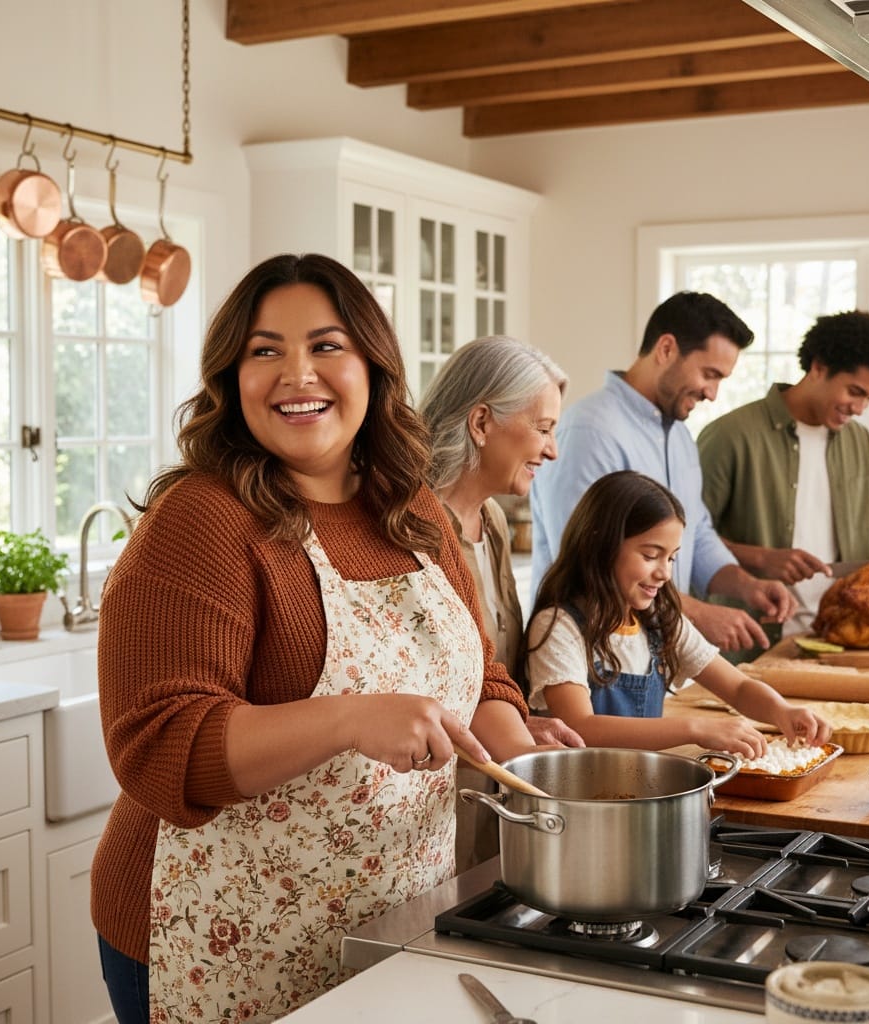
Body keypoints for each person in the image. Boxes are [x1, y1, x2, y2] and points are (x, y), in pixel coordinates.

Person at [90, 254, 540, 1024]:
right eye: (265, 351)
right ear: (232, 377)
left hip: (389, 920)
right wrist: (348, 718)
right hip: (214, 935)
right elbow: (158, 746)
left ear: (373, 365)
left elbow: (481, 672)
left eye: (326, 346)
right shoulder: (202, 521)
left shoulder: (412, 508)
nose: (297, 374)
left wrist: (531, 762)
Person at [530, 290, 796, 653]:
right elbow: (589, 560)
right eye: (709, 374)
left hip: (654, 658)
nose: (713, 393)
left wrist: (746, 585)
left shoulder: (681, 437)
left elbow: (697, 531)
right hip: (590, 659)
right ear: (666, 348)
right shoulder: (590, 432)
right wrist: (699, 614)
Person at [420, 335, 585, 870]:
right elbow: (412, 683)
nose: (552, 450)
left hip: (496, 789)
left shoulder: (490, 521)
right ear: (482, 423)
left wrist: (520, 722)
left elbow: (484, 672)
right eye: (543, 429)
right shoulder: (411, 526)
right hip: (429, 812)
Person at [523, 471, 831, 755]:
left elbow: (737, 687)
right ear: (599, 545)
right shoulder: (559, 627)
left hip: (641, 790)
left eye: (671, 558)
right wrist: (694, 728)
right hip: (580, 802)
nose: (664, 573)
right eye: (651, 555)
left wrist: (782, 711)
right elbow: (580, 726)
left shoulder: (660, 620)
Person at [697, 309, 869, 640]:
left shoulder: (859, 442)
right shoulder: (731, 435)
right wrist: (761, 558)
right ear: (819, 368)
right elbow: (686, 537)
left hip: (839, 638)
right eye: (854, 392)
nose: (860, 408)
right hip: (750, 641)